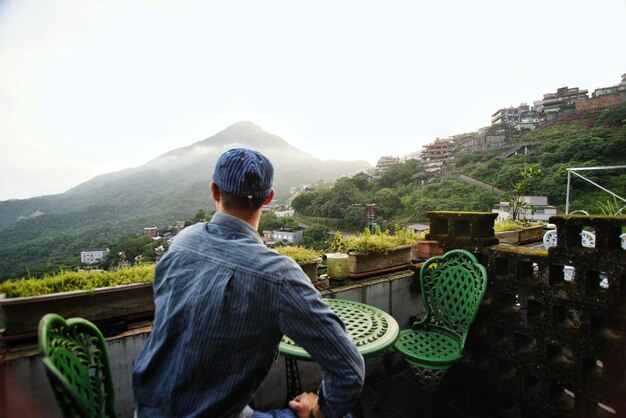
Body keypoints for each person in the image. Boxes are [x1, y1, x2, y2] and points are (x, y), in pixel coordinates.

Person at [132, 148, 365, 418]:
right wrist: (317, 412)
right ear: (268, 198)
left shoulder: (182, 241)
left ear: (214, 191)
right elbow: (349, 372)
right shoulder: (279, 275)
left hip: (148, 410)